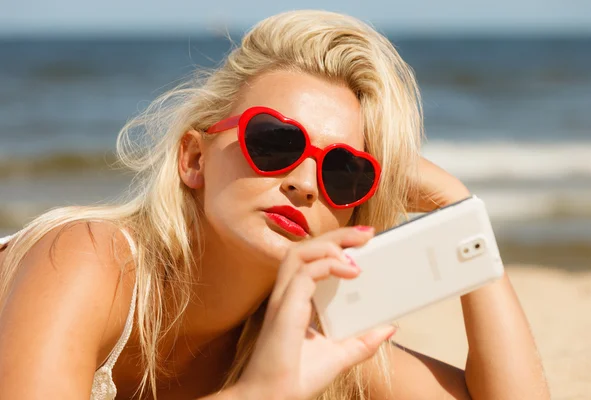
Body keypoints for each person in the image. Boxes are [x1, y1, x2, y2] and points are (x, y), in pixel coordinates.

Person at [0, 10, 550, 400]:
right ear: (193, 158)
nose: (306, 182)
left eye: (343, 171)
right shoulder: (87, 258)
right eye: (275, 142)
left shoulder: (301, 337)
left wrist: (459, 209)